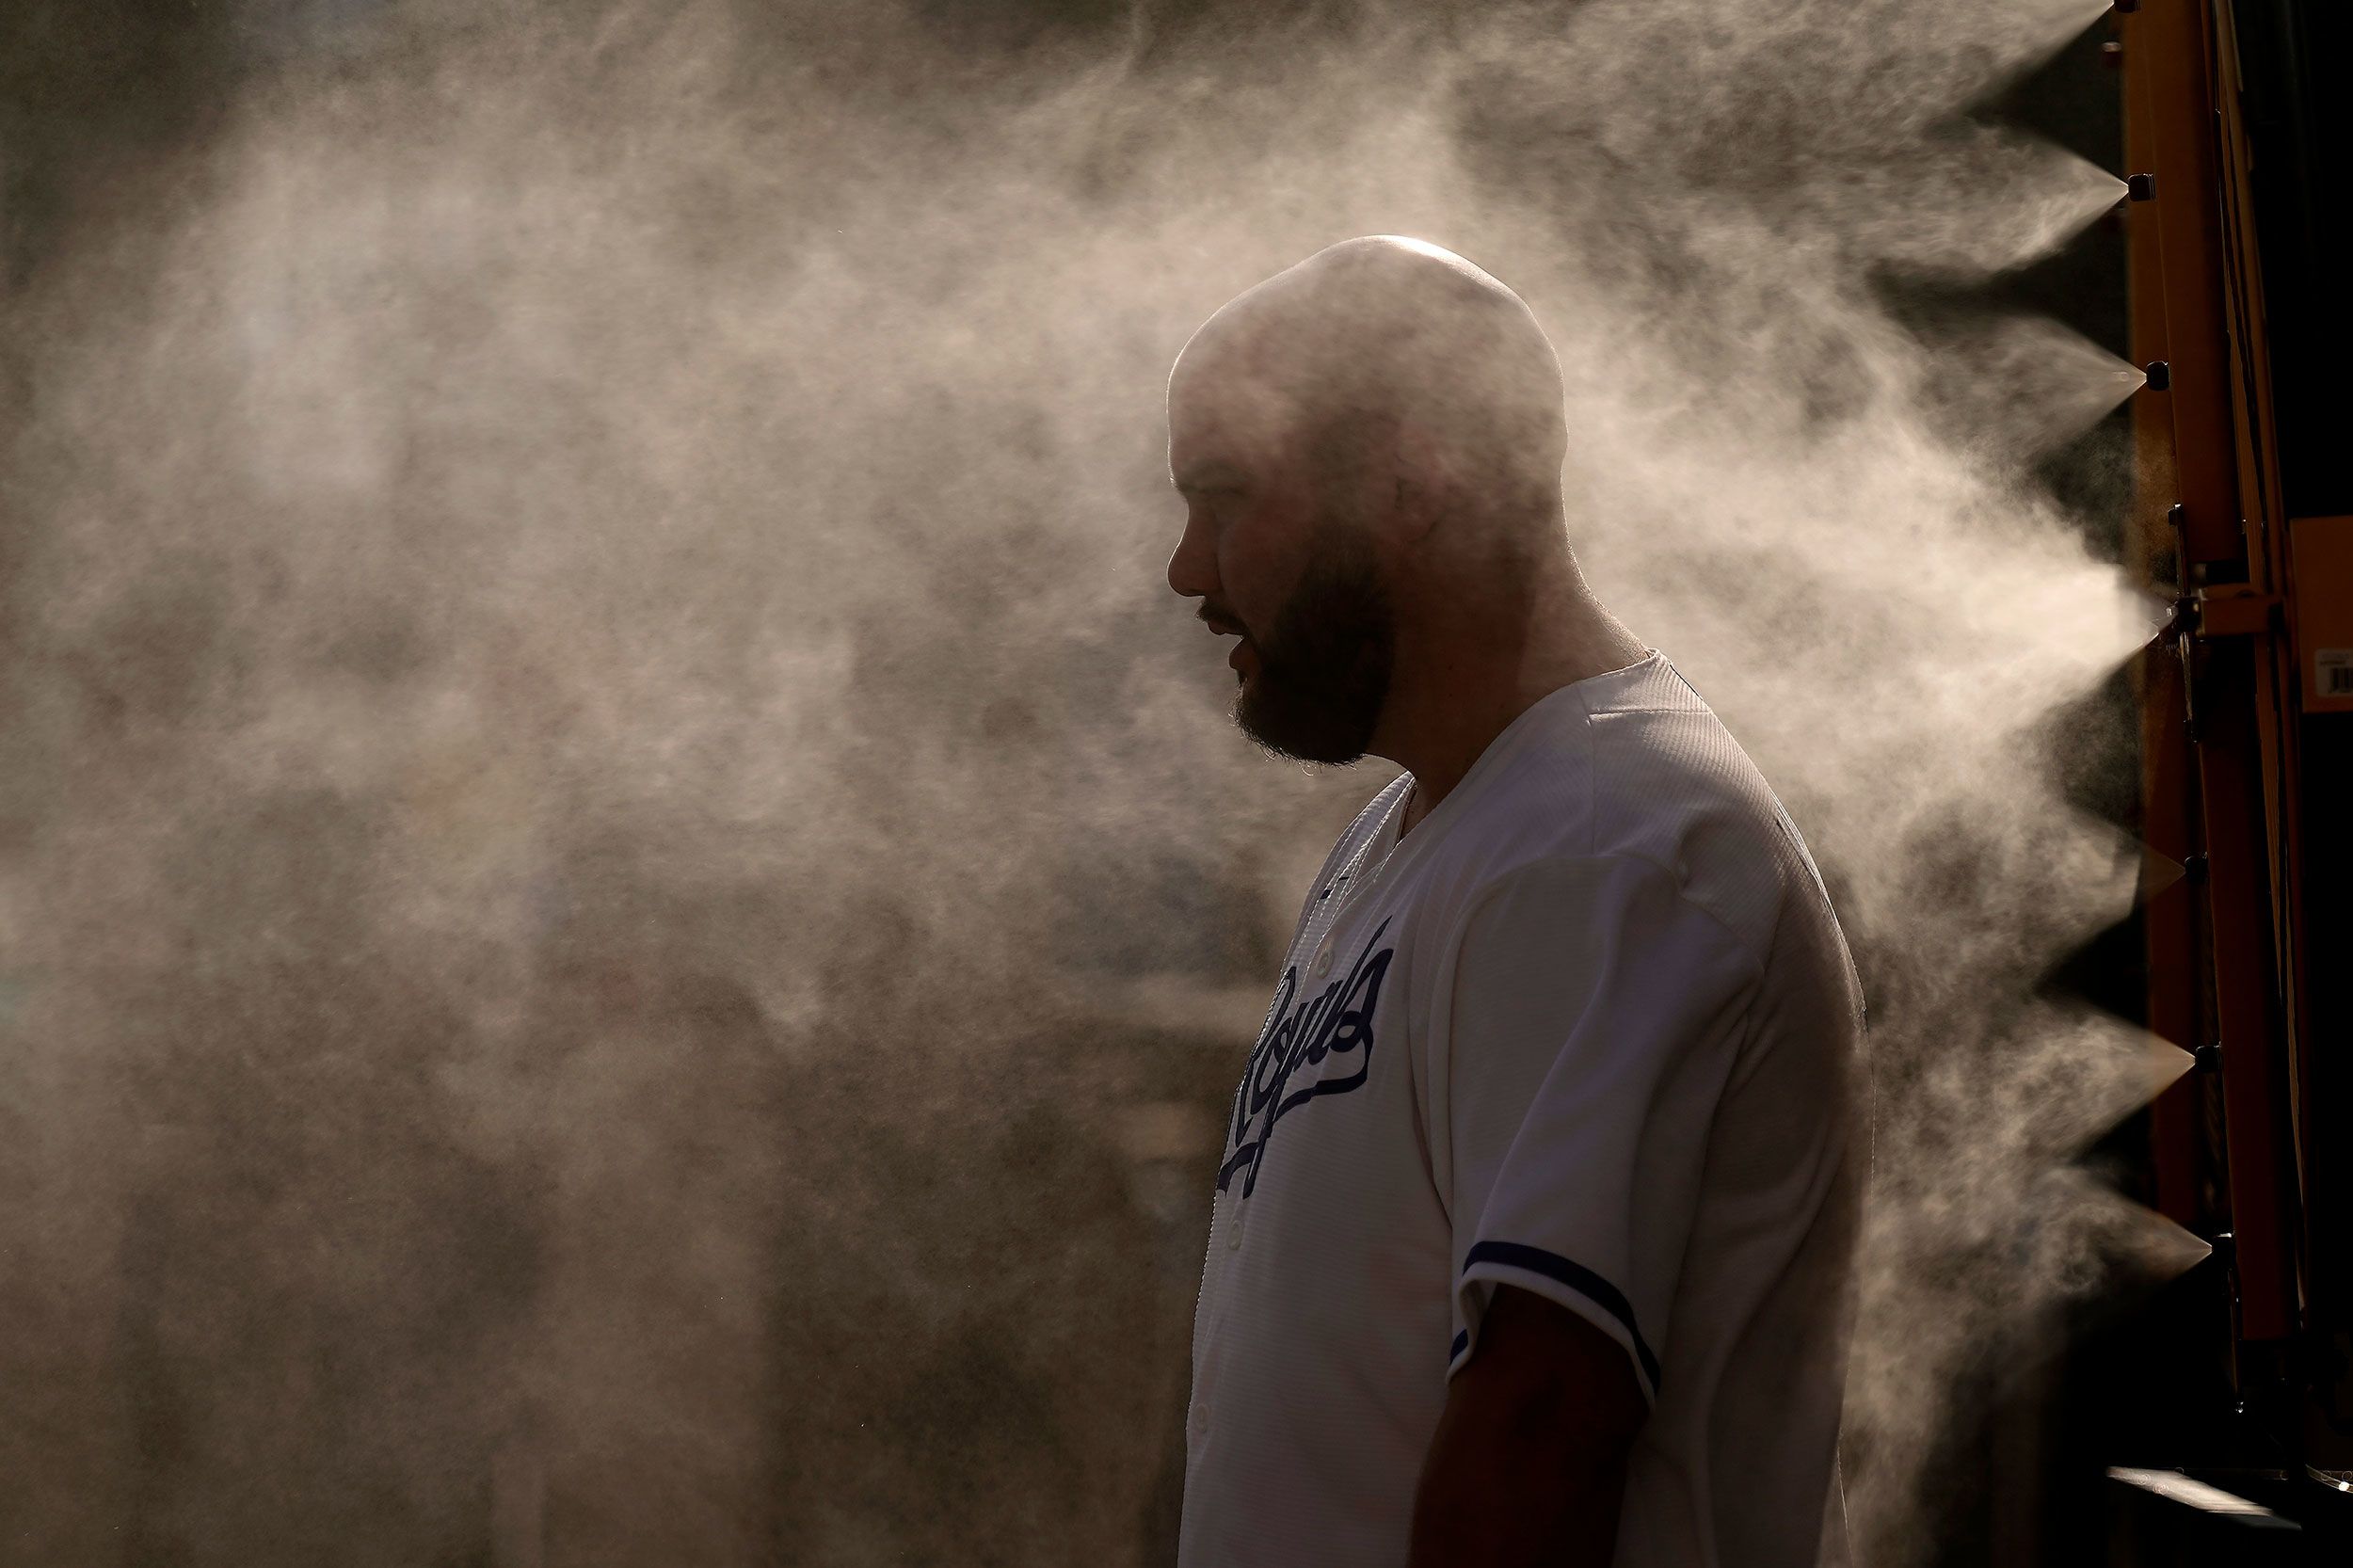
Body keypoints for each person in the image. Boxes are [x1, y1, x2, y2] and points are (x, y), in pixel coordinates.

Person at [1163, 236, 1867, 1568]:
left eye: (1223, 494)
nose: (1188, 570)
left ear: (1413, 481)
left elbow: (1540, 1423)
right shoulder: (1416, 834)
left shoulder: (1613, 842)